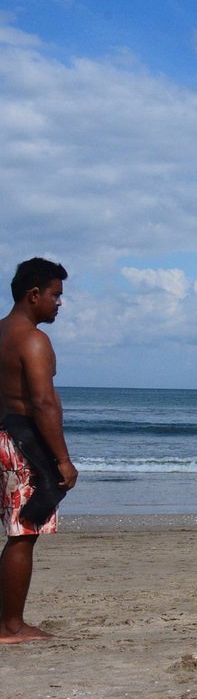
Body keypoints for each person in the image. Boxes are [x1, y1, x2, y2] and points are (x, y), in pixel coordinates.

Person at [1, 258, 79, 644]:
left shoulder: (0, 333)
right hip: (20, 447)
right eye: (55, 295)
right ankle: (11, 626)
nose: (59, 304)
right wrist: (62, 460)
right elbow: (43, 403)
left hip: (2, 438)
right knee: (23, 534)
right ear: (34, 295)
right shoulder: (33, 339)